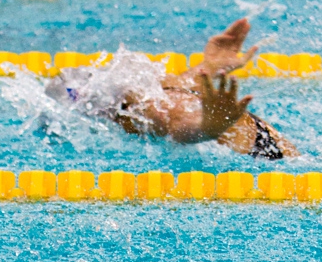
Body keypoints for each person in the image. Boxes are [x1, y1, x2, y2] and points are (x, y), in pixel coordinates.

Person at [46, 18, 298, 159]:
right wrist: (208, 66)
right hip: (269, 147)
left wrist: (210, 125)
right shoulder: (146, 90)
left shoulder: (142, 110)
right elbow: (179, 93)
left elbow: (180, 124)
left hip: (264, 156)